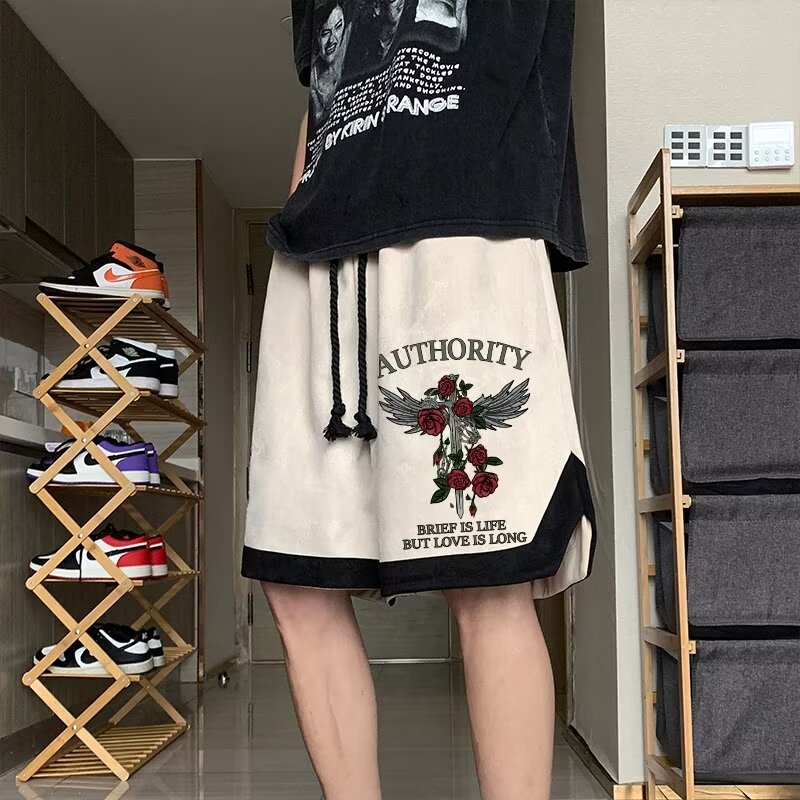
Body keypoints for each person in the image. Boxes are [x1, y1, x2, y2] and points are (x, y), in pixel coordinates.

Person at [244, 1, 596, 798]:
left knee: (487, 572)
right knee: (295, 577)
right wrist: (298, 211)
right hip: (320, 251)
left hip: (466, 214)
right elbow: (324, 87)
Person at [309, 0, 352, 124]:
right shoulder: (313, 77)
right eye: (325, 33)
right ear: (316, 37)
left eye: (338, 27)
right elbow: (317, 120)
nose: (332, 40)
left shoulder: (350, 41)